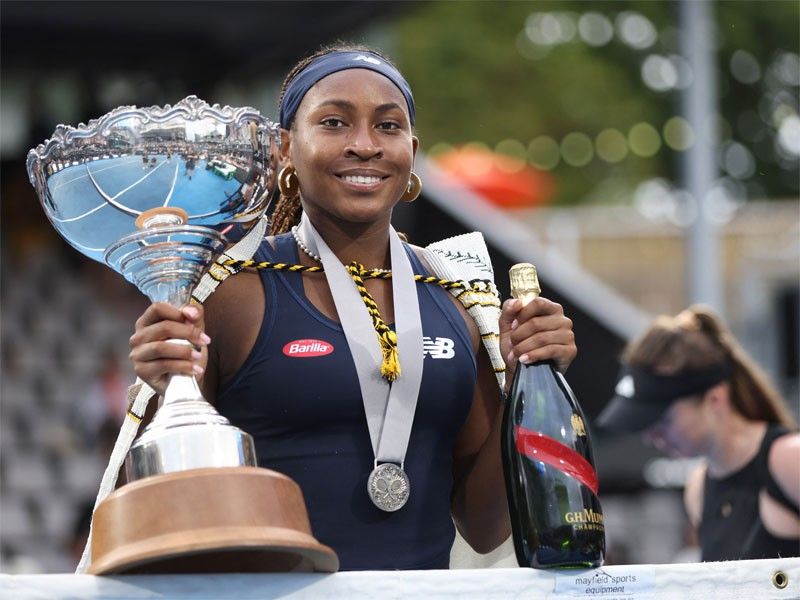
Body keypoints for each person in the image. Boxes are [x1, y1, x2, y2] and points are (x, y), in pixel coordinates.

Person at [128, 43, 577, 570]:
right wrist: (164, 389)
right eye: (335, 122)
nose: (365, 146)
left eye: (387, 126)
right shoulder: (234, 292)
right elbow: (155, 505)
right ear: (284, 148)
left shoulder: (458, 297)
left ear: (412, 148)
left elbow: (483, 528)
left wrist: (530, 381)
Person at [597, 305, 799, 561]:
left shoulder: (789, 459)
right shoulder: (698, 489)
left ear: (715, 399)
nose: (652, 436)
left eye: (663, 420)